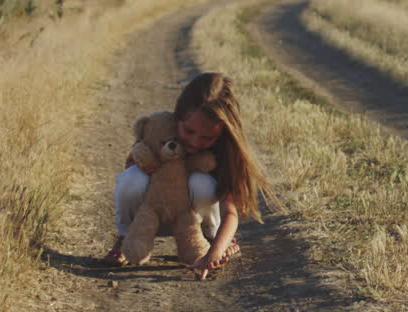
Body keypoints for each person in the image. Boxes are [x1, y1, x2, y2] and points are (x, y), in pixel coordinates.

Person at [103, 73, 277, 279]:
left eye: (207, 137)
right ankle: (126, 237)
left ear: (222, 133)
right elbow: (129, 176)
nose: (195, 142)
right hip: (150, 212)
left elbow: (230, 212)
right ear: (178, 117)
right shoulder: (159, 130)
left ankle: (212, 239)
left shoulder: (223, 152)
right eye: (189, 131)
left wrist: (215, 253)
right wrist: (140, 162)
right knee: (132, 178)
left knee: (201, 183)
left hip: (191, 219)